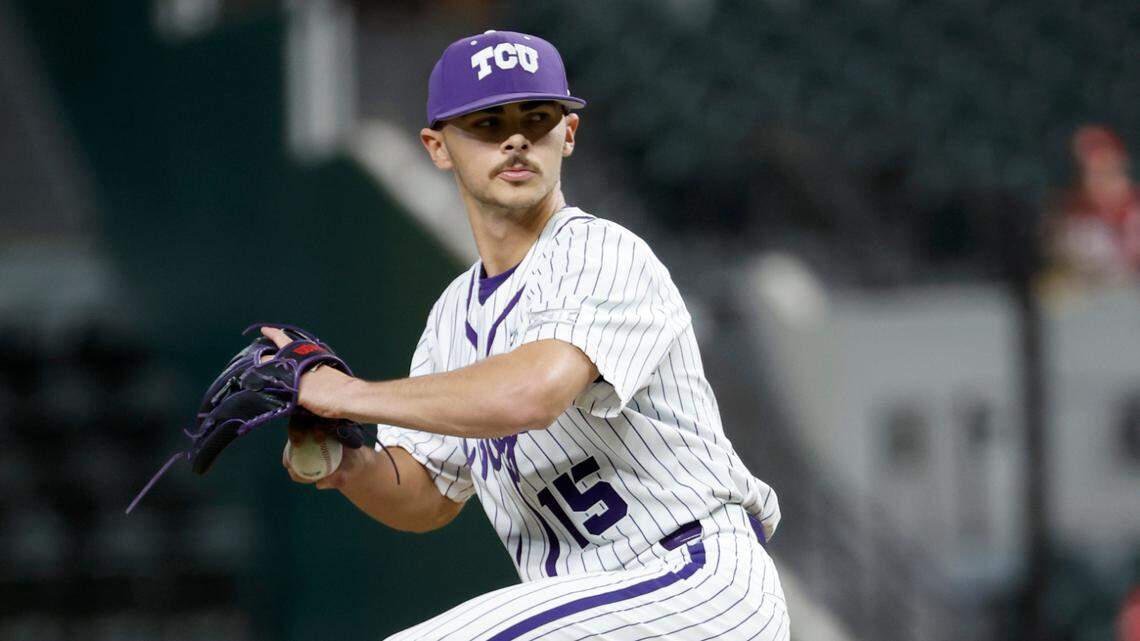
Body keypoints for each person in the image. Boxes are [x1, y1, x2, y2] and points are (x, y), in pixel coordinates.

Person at [262, 30, 788, 641]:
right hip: (602, 608)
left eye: (536, 118)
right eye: (487, 123)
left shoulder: (601, 252)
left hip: (693, 583)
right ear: (438, 147)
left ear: (568, 134)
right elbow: (428, 495)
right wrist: (348, 463)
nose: (515, 138)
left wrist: (345, 395)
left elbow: (530, 395)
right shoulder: (451, 318)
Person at [1045, 125, 1140, 286]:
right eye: (1088, 157)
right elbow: (1060, 268)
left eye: (1104, 154)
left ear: (1121, 159)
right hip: (1094, 293)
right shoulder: (1069, 213)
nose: (1097, 163)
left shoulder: (1135, 204)